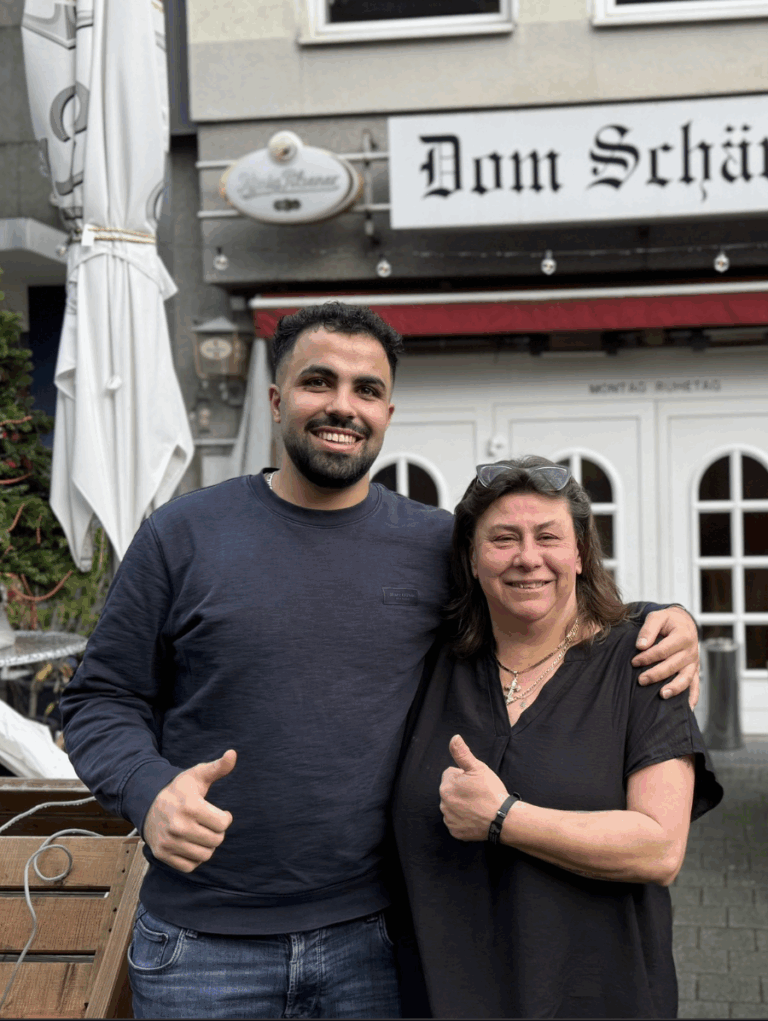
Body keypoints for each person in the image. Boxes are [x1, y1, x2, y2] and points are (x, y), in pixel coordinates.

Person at [59, 303, 703, 1020]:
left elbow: (537, 591)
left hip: (373, 942)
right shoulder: (182, 535)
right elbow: (98, 699)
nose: (343, 406)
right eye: (318, 382)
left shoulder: (432, 545)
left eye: (366, 389)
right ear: (276, 400)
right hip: (203, 946)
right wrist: (148, 791)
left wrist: (667, 620)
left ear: (387, 413)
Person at [391, 457, 723, 1019]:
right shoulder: (432, 661)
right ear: (471, 557)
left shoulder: (644, 662)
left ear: (580, 553)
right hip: (444, 996)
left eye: (548, 537)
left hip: (596, 998)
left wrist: (504, 818)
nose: (528, 557)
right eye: (503, 539)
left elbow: (660, 848)